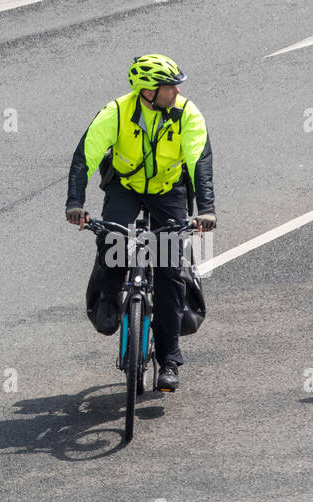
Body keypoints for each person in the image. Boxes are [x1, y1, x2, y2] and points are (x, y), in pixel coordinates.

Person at [65, 54, 216, 392]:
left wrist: (206, 209)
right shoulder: (116, 112)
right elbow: (84, 157)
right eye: (169, 86)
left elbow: (199, 161)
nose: (176, 90)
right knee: (112, 241)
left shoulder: (187, 113)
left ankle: (170, 361)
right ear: (148, 91)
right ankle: (108, 300)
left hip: (169, 190)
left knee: (168, 271)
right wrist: (75, 203)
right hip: (126, 187)